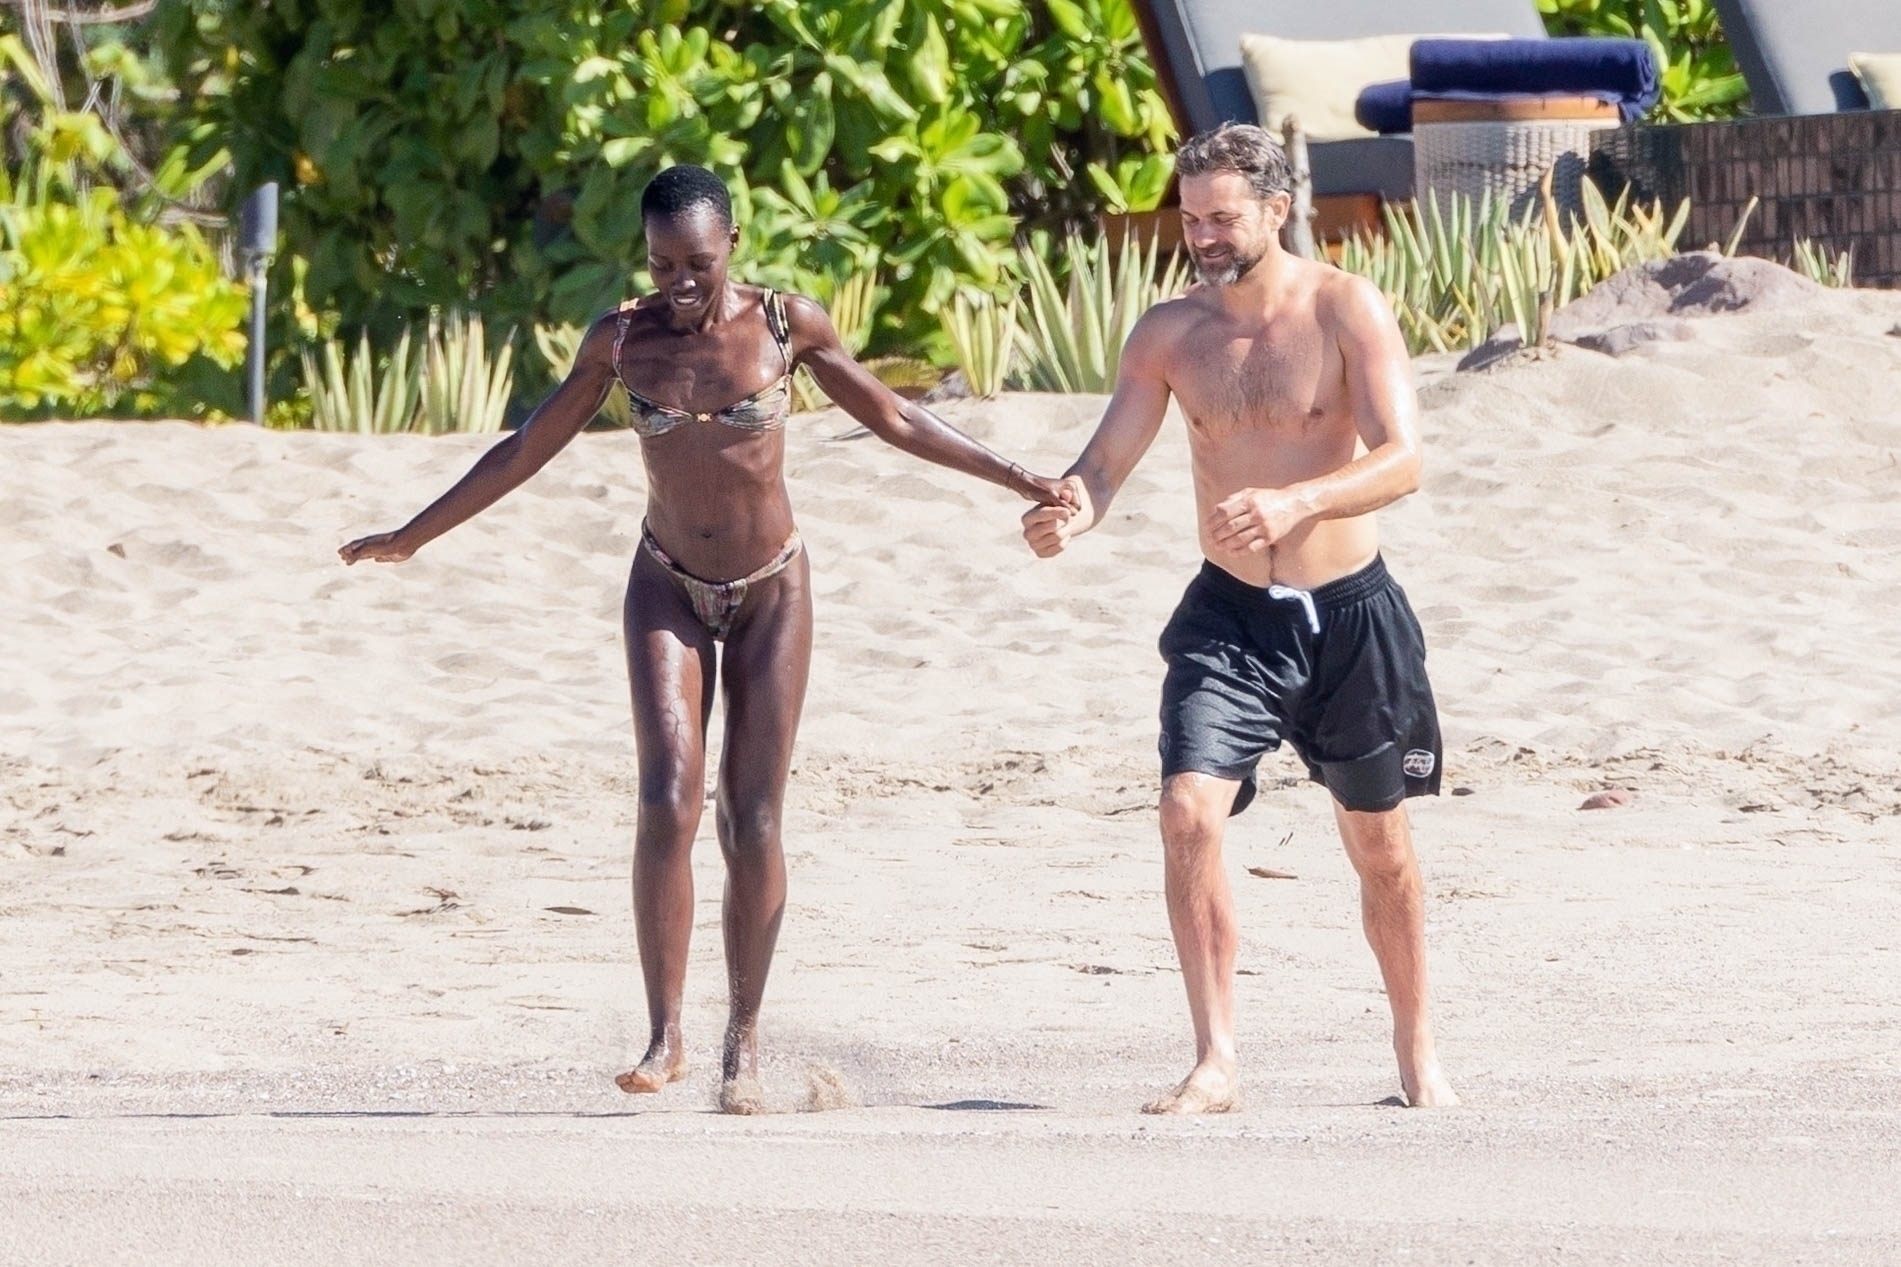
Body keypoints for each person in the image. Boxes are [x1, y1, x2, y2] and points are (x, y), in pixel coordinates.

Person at [342, 163, 1068, 1113]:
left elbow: (893, 414)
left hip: (773, 589)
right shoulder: (621, 340)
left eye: (695, 261)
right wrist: (413, 534)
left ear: (732, 242)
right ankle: (665, 1033)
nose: (679, 282)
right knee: (667, 799)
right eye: (659, 263)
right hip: (667, 587)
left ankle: (743, 1042)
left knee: (753, 816)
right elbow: (525, 446)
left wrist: (1020, 477)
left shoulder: (784, 326)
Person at [1021, 124, 1457, 1113]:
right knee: (1185, 813)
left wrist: (1297, 502)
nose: (1204, 237)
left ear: (1272, 208)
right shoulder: (1168, 336)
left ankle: (1415, 1049)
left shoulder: (1346, 309)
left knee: (1379, 847)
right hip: (1229, 619)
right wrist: (1070, 511)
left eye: (1223, 217)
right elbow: (1103, 465)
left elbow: (1405, 458)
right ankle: (1214, 1058)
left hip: (1349, 618)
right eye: (1191, 219)